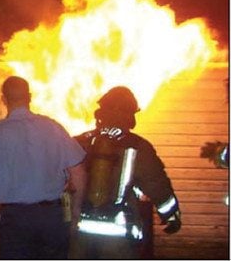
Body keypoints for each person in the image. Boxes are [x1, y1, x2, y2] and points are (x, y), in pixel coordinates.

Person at [0, 75, 87, 259]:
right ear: (30, 97)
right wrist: (74, 213)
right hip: (53, 218)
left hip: (16, 221)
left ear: (3, 99)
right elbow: (79, 173)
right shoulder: (54, 128)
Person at [72, 86, 181, 259]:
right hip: (117, 236)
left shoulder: (80, 141)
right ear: (130, 115)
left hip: (79, 233)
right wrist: (171, 216)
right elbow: (156, 185)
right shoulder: (138, 146)